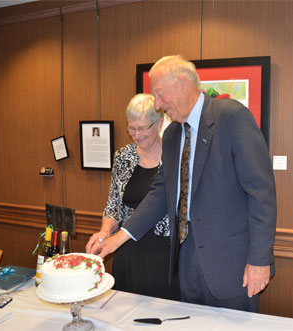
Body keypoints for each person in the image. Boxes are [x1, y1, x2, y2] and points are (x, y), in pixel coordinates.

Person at [90, 55, 277, 312]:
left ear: (182, 83)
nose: (157, 104)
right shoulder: (172, 133)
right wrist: (116, 239)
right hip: (186, 265)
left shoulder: (232, 118)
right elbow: (161, 193)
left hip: (231, 266)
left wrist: (259, 260)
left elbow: (261, 194)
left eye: (159, 93)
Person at [85, 93, 180, 301]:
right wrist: (104, 231)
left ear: (160, 122)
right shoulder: (123, 156)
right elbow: (114, 204)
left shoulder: (175, 157)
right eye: (131, 128)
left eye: (142, 128)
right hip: (126, 249)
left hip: (163, 252)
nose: (136, 134)